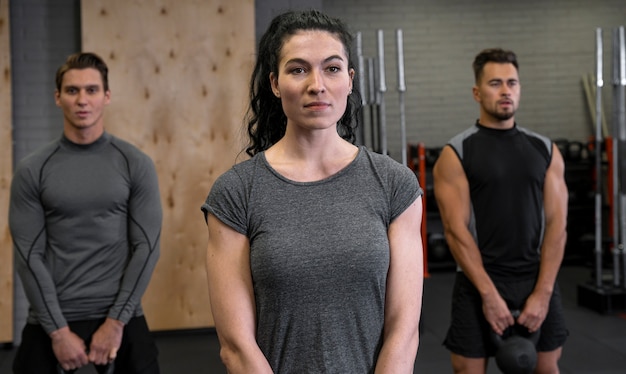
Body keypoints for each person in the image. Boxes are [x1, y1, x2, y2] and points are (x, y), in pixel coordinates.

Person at [201, 9, 424, 373]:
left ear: (350, 80)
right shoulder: (237, 192)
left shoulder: (394, 184)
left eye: (332, 68)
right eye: (298, 69)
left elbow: (404, 329)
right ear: (275, 83)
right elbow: (236, 346)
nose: (316, 84)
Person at [9, 52, 162, 374]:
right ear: (58, 97)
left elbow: (146, 248)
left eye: (92, 90)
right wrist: (58, 332)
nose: (82, 100)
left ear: (106, 96)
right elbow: (28, 256)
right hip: (54, 316)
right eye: (72, 90)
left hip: (121, 312)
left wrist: (116, 322)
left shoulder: (135, 163)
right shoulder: (33, 170)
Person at [433, 48, 569, 374]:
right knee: (467, 369)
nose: (506, 90)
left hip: (535, 277)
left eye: (512, 83)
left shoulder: (545, 150)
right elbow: (456, 231)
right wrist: (489, 295)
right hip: (478, 279)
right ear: (477, 92)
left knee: (547, 368)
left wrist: (543, 292)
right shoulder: (457, 153)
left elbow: (557, 226)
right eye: (496, 83)